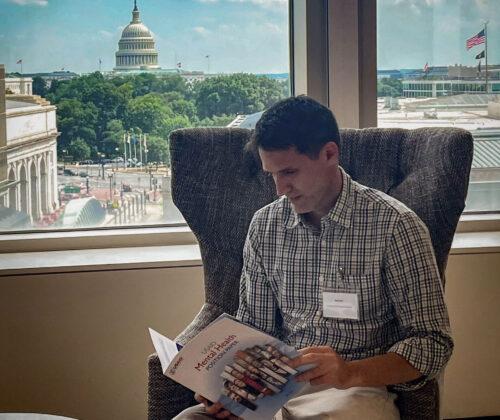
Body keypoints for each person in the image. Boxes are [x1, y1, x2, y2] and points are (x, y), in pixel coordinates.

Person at [174, 96, 453, 419]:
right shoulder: (265, 225)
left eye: (289, 172)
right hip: (274, 389)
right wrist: (230, 387)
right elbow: (254, 329)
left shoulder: (395, 226)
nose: (281, 189)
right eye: (272, 175)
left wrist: (349, 371)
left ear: (329, 154)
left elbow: (434, 343)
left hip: (353, 389)